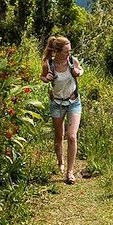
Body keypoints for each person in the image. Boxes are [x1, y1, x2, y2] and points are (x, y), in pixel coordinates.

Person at [40, 36, 84, 184]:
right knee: (59, 136)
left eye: (70, 51)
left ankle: (70, 172)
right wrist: (47, 78)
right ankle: (61, 162)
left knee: (72, 136)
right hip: (57, 104)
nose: (68, 54)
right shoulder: (49, 64)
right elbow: (42, 77)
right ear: (56, 52)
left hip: (73, 102)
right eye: (66, 52)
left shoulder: (72, 61)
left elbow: (80, 69)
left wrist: (78, 72)